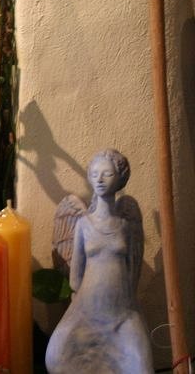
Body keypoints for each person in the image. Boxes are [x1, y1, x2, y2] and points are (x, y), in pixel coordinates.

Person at [46, 149, 152, 373]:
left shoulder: (125, 226)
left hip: (122, 314)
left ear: (120, 178)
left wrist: (123, 303)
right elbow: (75, 279)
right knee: (55, 358)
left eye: (107, 174)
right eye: (94, 174)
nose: (100, 180)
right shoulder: (83, 225)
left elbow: (132, 275)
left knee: (141, 365)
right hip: (86, 311)